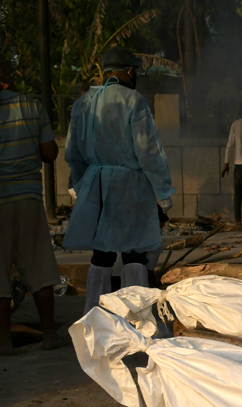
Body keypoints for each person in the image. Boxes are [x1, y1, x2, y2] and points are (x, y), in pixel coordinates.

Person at [64, 47, 175, 314]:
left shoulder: (83, 103)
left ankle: (95, 314)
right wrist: (163, 190)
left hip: (95, 183)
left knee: (101, 253)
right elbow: (148, 151)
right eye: (134, 70)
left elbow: (72, 152)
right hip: (129, 185)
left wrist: (78, 183)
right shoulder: (134, 101)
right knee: (134, 251)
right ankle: (137, 317)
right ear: (128, 71)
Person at [0, 49, 65, 354]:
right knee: (39, 268)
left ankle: (3, 341)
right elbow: (50, 153)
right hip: (29, 200)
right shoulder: (32, 106)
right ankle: (50, 335)